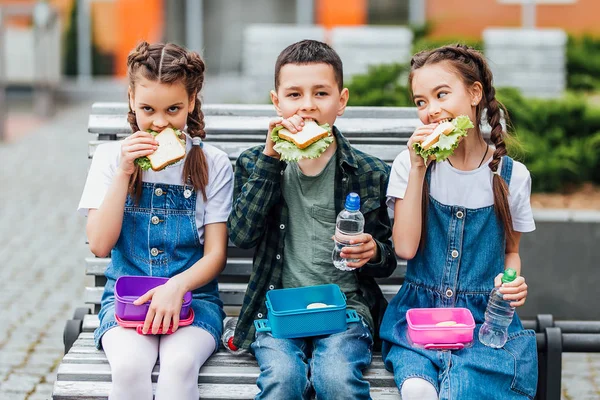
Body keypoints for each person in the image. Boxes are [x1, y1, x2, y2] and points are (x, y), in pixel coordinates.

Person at [227, 39, 397, 399]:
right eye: (294, 95)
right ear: (276, 102)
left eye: (321, 93)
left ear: (342, 100)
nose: (307, 105)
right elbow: (241, 235)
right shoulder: (256, 163)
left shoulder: (368, 172)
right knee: (283, 381)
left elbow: (387, 259)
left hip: (346, 312)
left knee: (336, 379)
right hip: (278, 312)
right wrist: (271, 160)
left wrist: (374, 251)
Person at [380, 44, 538, 400]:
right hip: (419, 320)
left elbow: (511, 252)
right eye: (421, 101)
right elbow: (405, 248)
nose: (431, 110)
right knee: (418, 390)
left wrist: (511, 283)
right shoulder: (410, 166)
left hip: (484, 324)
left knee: (465, 390)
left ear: (474, 94)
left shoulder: (512, 176)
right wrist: (418, 167)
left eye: (441, 95)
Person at [77, 41, 233, 400]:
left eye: (173, 109)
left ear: (191, 102)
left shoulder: (213, 163)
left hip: (194, 301)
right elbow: (100, 245)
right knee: (130, 367)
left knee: (179, 366)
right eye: (148, 109)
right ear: (131, 99)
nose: (160, 122)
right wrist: (124, 173)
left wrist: (176, 287)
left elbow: (215, 255)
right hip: (127, 303)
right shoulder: (109, 158)